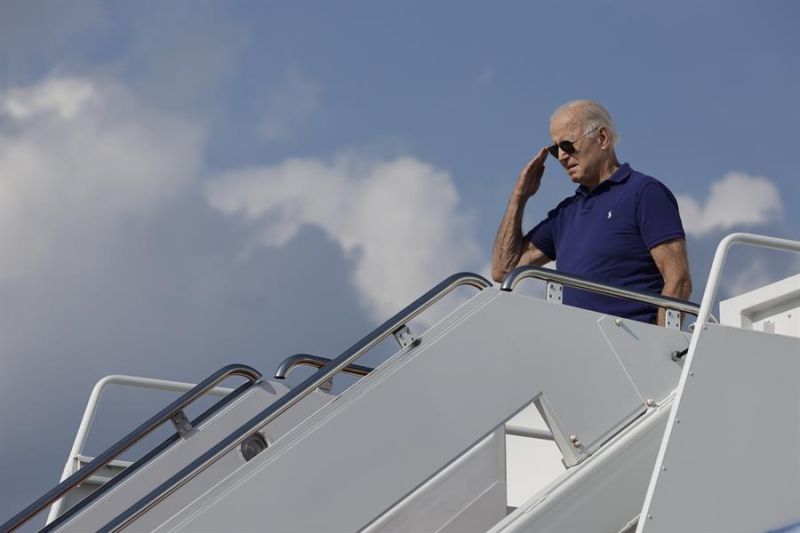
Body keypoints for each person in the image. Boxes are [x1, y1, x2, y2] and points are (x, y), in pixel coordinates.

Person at [491, 100, 692, 325]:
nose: (562, 157)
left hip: (632, 348)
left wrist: (659, 349)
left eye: (567, 145)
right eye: (554, 150)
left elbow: (678, 280)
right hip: (579, 349)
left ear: (602, 138)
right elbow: (503, 270)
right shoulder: (565, 214)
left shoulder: (644, 193)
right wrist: (519, 196)